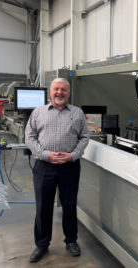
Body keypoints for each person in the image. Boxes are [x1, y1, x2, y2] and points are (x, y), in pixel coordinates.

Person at [25, 78, 89, 263]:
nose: (59, 93)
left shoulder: (77, 113)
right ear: (50, 92)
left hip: (69, 166)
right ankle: (42, 244)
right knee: (43, 206)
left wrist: (73, 155)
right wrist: (46, 155)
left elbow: (85, 136)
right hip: (44, 166)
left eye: (63, 90)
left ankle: (71, 241)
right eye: (56, 89)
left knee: (69, 205)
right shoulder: (38, 112)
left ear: (69, 93)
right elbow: (29, 137)